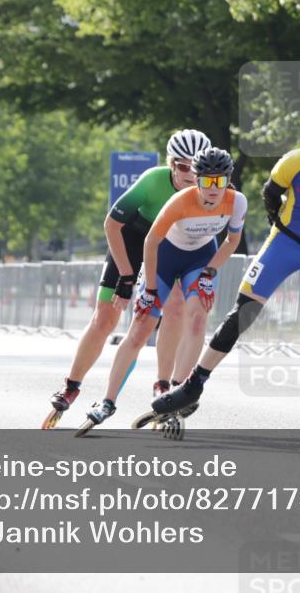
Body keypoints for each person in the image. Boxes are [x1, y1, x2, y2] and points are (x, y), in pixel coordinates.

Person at [148, 100, 300, 430]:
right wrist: (278, 224)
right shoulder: (296, 162)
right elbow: (270, 193)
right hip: (285, 243)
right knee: (243, 314)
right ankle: (193, 384)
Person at [41, 129, 212, 428]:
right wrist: (126, 275)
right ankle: (72, 385)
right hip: (133, 238)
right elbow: (112, 224)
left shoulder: (207, 189)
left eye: (197, 168)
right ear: (172, 164)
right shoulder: (152, 181)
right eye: (184, 166)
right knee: (105, 317)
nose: (190, 174)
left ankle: (163, 384)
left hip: (170, 245)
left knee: (174, 308)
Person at [75, 147, 246, 435]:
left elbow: (231, 240)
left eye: (220, 181)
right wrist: (151, 288)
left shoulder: (237, 202)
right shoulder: (181, 201)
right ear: (197, 179)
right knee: (141, 328)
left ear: (229, 180)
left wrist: (210, 272)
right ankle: (107, 401)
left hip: (200, 258)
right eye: (206, 181)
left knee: (197, 319)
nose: (213, 189)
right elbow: (151, 242)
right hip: (164, 257)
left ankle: (178, 391)